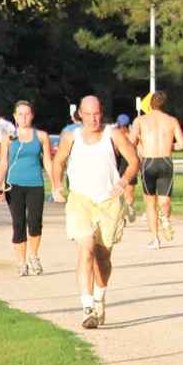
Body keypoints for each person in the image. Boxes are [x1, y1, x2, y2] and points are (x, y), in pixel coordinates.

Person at [48, 95, 140, 329]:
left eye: (96, 113)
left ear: (102, 113)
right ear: (79, 115)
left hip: (108, 202)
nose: (92, 119)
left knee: (103, 258)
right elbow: (58, 162)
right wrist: (57, 185)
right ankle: (87, 306)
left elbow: (133, 161)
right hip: (80, 200)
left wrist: (125, 180)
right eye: (87, 114)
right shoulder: (71, 138)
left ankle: (100, 296)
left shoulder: (114, 135)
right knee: (86, 250)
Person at [0, 100, 51, 276]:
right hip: (14, 185)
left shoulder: (41, 136)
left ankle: (33, 256)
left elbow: (48, 162)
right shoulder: (9, 138)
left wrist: (56, 184)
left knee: (34, 223)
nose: (24, 117)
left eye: (27, 114)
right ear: (15, 117)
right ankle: (21, 262)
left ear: (32, 115)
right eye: (20, 114)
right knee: (18, 224)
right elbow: (3, 162)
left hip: (35, 184)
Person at [131, 91, 183, 247]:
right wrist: (169, 145)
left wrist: (140, 145)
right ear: (165, 104)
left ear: (150, 104)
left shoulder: (140, 120)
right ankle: (165, 216)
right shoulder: (172, 120)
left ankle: (155, 238)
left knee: (150, 202)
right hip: (166, 161)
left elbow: (131, 141)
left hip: (148, 161)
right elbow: (182, 144)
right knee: (165, 201)